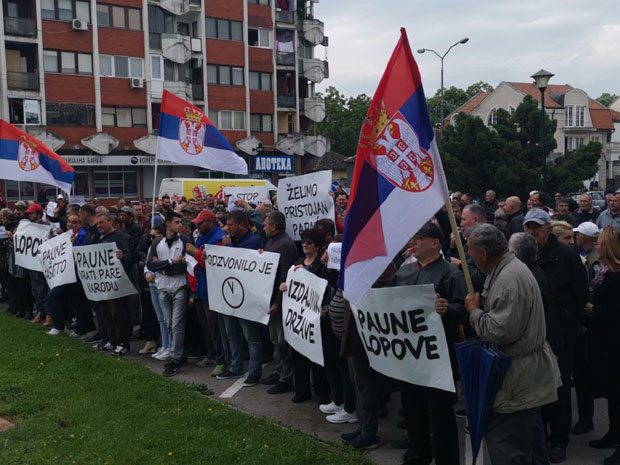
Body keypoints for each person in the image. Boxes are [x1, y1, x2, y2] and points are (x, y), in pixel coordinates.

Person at [465, 223, 561, 465]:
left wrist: (474, 312)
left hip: (515, 381)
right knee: (532, 446)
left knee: (507, 447)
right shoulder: (509, 269)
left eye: (470, 250)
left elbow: (500, 332)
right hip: (525, 378)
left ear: (483, 253)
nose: (468, 255)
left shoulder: (509, 279)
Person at [389, 222, 467, 465]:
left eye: (419, 238)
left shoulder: (450, 274)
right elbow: (387, 301)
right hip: (409, 352)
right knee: (412, 406)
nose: (413, 242)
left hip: (437, 356)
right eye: (413, 238)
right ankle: (418, 453)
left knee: (440, 411)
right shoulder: (404, 272)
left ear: (435, 243)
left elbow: (464, 310)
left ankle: (446, 459)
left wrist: (448, 310)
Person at [523, 208, 588, 463]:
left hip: (561, 332)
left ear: (548, 229)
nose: (532, 232)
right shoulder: (522, 255)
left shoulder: (566, 255)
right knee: (535, 386)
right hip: (533, 332)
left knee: (559, 387)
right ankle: (538, 434)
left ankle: (558, 440)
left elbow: (580, 293)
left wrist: (566, 318)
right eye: (528, 227)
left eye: (537, 227)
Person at [278, 227, 331, 405]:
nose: (305, 245)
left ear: (318, 245)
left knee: (316, 357)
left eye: (309, 242)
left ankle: (322, 392)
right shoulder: (298, 262)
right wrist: (284, 286)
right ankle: (302, 390)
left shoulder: (321, 265)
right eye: (303, 242)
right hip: (300, 320)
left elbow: (324, 287)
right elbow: (292, 285)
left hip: (316, 319)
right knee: (299, 354)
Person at [583, 228, 620, 464]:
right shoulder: (607, 272)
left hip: (615, 342)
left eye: (600, 243)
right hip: (606, 342)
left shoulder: (617, 276)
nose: (596, 246)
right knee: (613, 394)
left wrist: (593, 309)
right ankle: (614, 433)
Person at [216, 210, 263, 387]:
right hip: (230, 294)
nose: (227, 228)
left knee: (250, 335)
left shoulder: (252, 242)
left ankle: (254, 371)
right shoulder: (232, 240)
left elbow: (237, 262)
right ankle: (235, 366)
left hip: (246, 297)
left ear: (242, 225)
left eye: (231, 225)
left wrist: (227, 248)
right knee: (232, 333)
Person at [146, 212, 191, 376]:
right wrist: (171, 262)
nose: (180, 225)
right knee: (168, 322)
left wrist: (162, 265)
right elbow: (150, 264)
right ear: (169, 224)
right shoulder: (158, 242)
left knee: (177, 323)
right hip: (163, 287)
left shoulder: (184, 241)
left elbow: (185, 264)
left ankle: (175, 357)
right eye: (177, 222)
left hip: (179, 285)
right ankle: (176, 351)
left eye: (181, 222)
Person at [185, 209, 227, 375]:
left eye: (200, 223)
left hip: (213, 290)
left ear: (210, 222)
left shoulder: (218, 239)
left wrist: (195, 253)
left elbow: (214, 265)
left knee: (216, 327)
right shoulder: (203, 237)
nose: (197, 226)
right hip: (201, 288)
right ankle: (211, 355)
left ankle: (221, 360)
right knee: (206, 326)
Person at [261, 211, 298, 395]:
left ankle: (286, 378)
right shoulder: (272, 242)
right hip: (270, 299)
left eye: (265, 224)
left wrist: (277, 302)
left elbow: (285, 275)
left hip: (280, 302)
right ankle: (279, 371)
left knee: (283, 341)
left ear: (273, 226)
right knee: (275, 339)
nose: (263, 228)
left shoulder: (285, 245)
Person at [92, 213, 133, 356]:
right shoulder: (101, 238)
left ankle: (123, 343)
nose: (99, 226)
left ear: (110, 222)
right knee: (106, 314)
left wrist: (123, 257)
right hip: (103, 284)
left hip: (116, 284)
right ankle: (112, 340)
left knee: (118, 314)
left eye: (101, 222)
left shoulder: (119, 237)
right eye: (97, 223)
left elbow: (129, 257)